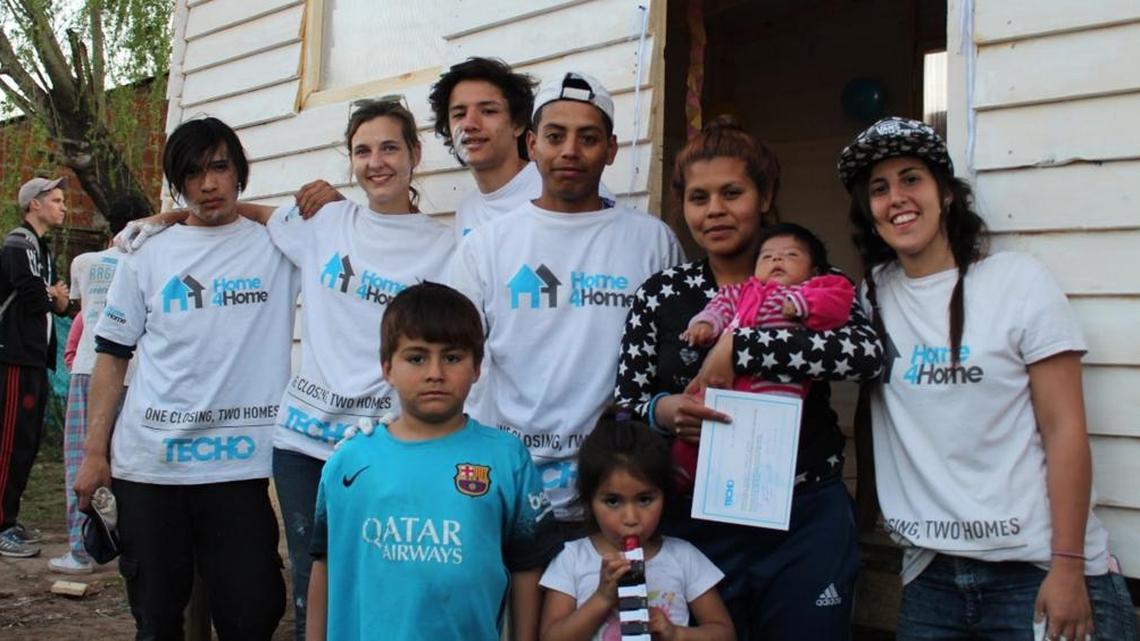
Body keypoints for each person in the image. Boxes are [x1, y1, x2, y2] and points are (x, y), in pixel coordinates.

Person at [113, 99, 454, 640]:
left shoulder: (448, 247)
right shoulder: (325, 222)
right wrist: (168, 216)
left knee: (388, 579)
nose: (377, 161)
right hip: (303, 445)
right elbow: (234, 213)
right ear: (351, 161)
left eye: (390, 147)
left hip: (387, 445)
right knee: (307, 589)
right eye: (363, 150)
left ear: (416, 154)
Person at [840, 116, 1139, 641]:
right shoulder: (872, 298)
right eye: (879, 189)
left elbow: (1065, 428)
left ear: (946, 194)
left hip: (1039, 568)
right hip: (931, 575)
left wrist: (1068, 566)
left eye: (912, 178)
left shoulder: (1017, 282)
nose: (896, 198)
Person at [614, 117, 883, 640]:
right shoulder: (664, 294)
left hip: (803, 514)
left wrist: (739, 346)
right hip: (693, 518)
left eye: (732, 192)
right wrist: (664, 411)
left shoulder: (814, 280)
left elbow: (863, 354)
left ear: (765, 196)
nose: (714, 210)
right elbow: (626, 401)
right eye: (699, 197)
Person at [74, 117, 295, 640]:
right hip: (149, 469)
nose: (208, 184)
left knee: (251, 615)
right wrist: (94, 453)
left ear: (240, 171)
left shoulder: (278, 247)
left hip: (238, 470)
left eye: (220, 168)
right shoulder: (148, 254)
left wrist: (173, 213)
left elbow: (342, 229)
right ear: (178, 181)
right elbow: (111, 354)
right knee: (157, 620)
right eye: (191, 174)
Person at [449, 71, 684, 524]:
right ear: (532, 144)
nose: (570, 151)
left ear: (611, 149)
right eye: (556, 136)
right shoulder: (486, 246)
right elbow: (459, 363)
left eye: (588, 138)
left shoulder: (652, 242)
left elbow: (669, 362)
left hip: (618, 496)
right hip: (508, 493)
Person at [306, 282, 562, 641]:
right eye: (416, 357)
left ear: (477, 368)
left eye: (453, 357)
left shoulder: (506, 459)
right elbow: (325, 566)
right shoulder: (349, 461)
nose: (435, 373)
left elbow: (527, 569)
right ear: (387, 368)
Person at [672, 222, 854, 493]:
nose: (777, 259)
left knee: (759, 448)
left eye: (791, 255)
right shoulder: (742, 291)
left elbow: (838, 303)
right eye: (767, 256)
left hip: (776, 391)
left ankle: (751, 491)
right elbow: (719, 306)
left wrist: (805, 305)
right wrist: (706, 325)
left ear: (813, 270)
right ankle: (682, 476)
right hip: (726, 383)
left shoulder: (815, 287)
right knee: (699, 427)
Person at [539, 409, 734, 641]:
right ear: (589, 500)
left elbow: (724, 633)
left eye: (645, 500)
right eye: (612, 501)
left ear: (665, 496)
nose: (631, 518)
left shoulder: (684, 557)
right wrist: (602, 598)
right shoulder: (571, 560)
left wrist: (677, 634)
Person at [49, 196, 147, 575]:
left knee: (82, 459)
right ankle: (127, 548)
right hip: (136, 373)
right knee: (127, 463)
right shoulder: (146, 262)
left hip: (91, 368)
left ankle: (81, 550)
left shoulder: (83, 262)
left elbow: (75, 308)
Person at [0, 176, 72, 558]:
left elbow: (62, 302)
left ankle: (9, 518)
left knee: (25, 444)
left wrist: (53, 295)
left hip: (35, 358)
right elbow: (34, 295)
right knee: (9, 442)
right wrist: (51, 294)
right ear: (34, 205)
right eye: (56, 200)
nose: (63, 207)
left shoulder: (41, 250)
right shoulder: (18, 243)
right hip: (13, 356)